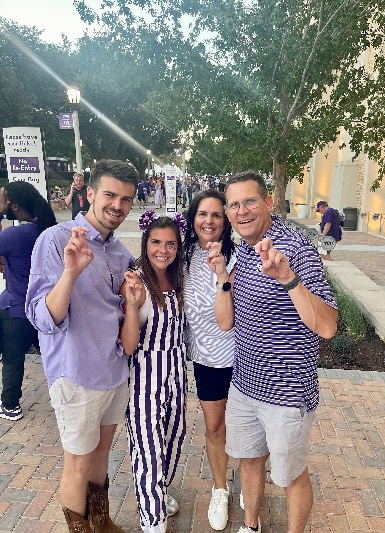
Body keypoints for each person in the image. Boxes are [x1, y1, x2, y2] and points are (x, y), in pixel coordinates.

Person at [209, 172, 338, 533]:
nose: (241, 210)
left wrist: (288, 279)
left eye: (249, 201)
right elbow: (227, 322)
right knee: (249, 462)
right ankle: (251, 525)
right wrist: (222, 275)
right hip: (245, 387)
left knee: (291, 475)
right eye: (233, 204)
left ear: (268, 203)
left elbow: (327, 327)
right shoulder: (246, 251)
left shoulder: (296, 250)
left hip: (286, 394)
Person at [26, 159, 138, 533]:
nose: (117, 205)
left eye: (126, 199)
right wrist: (71, 272)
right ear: (90, 193)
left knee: (101, 454)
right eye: (109, 194)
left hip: (113, 373)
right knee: (77, 461)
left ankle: (101, 523)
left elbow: (122, 317)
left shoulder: (121, 253)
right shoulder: (57, 240)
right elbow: (43, 317)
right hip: (75, 375)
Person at [120, 210, 187, 533]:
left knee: (175, 437)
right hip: (144, 378)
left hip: (175, 371)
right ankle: (153, 522)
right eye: (157, 242)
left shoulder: (178, 277)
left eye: (171, 244)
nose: (163, 250)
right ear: (146, 242)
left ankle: (158, 491)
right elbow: (129, 346)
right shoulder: (136, 281)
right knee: (148, 451)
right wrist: (132, 306)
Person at [183, 190, 236, 530]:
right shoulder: (182, 255)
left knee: (250, 425)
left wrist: (221, 275)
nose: (209, 221)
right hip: (206, 357)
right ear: (193, 219)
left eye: (216, 215)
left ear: (225, 221)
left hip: (244, 353)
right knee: (215, 426)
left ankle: (249, 477)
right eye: (203, 214)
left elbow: (226, 320)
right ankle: (221, 488)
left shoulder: (239, 254)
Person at [0, 182, 56, 421]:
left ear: (13, 205)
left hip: (17, 309)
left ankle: (10, 404)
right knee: (52, 355)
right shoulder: (49, 229)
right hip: (46, 307)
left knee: (13, 359)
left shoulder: (15, 234)